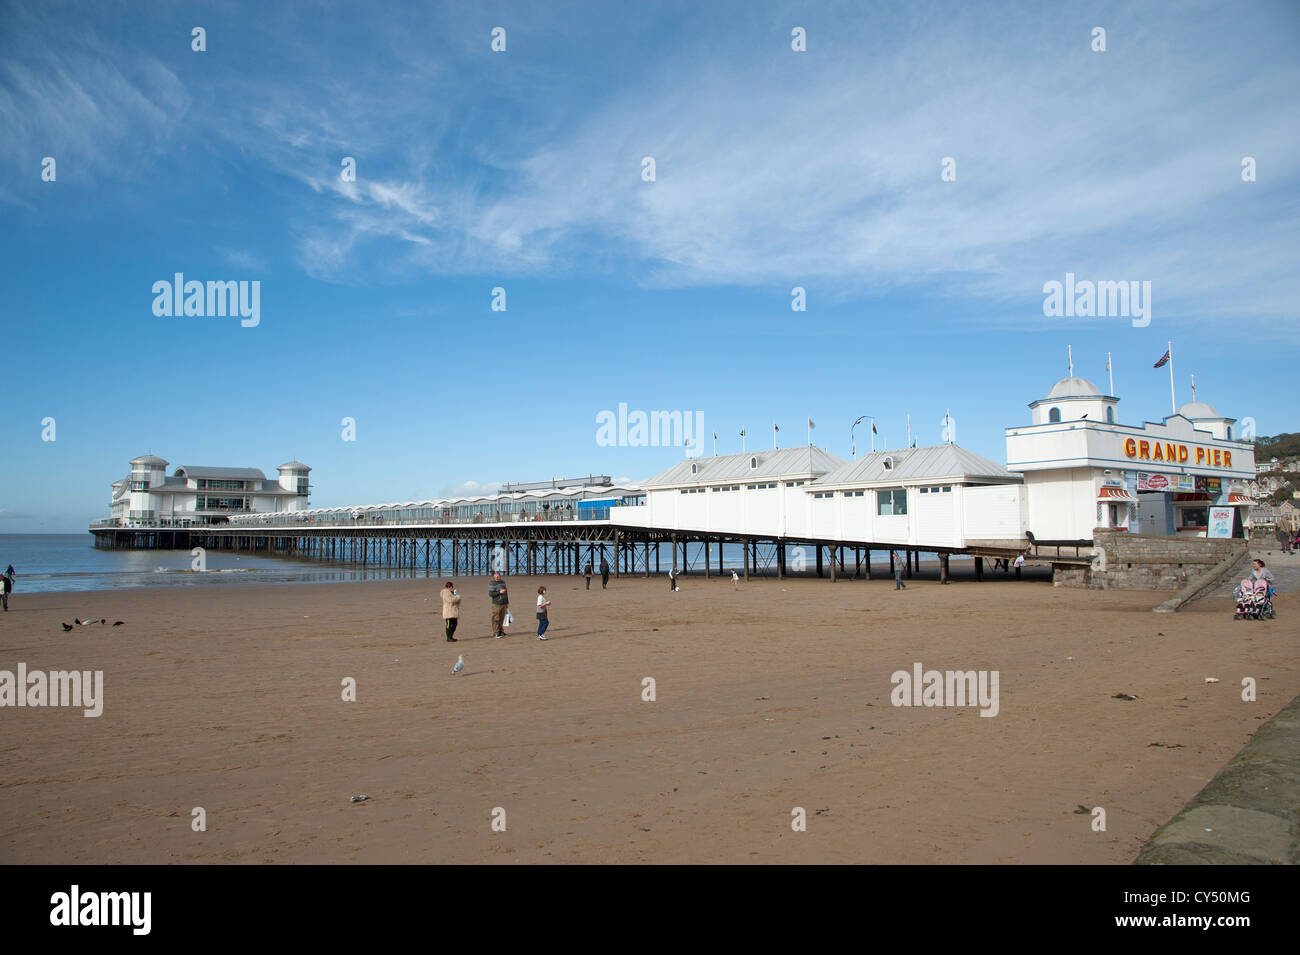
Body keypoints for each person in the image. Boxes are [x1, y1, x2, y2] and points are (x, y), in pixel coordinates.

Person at [488, 572, 509, 638]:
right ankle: (495, 632)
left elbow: (506, 593)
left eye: (498, 576)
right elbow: (491, 594)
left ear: (500, 576)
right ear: (494, 577)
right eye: (496, 577)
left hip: (504, 603)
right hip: (496, 603)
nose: (497, 578)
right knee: (496, 618)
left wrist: (507, 602)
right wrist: (499, 592)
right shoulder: (492, 583)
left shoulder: (503, 582)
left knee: (502, 618)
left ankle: (501, 631)